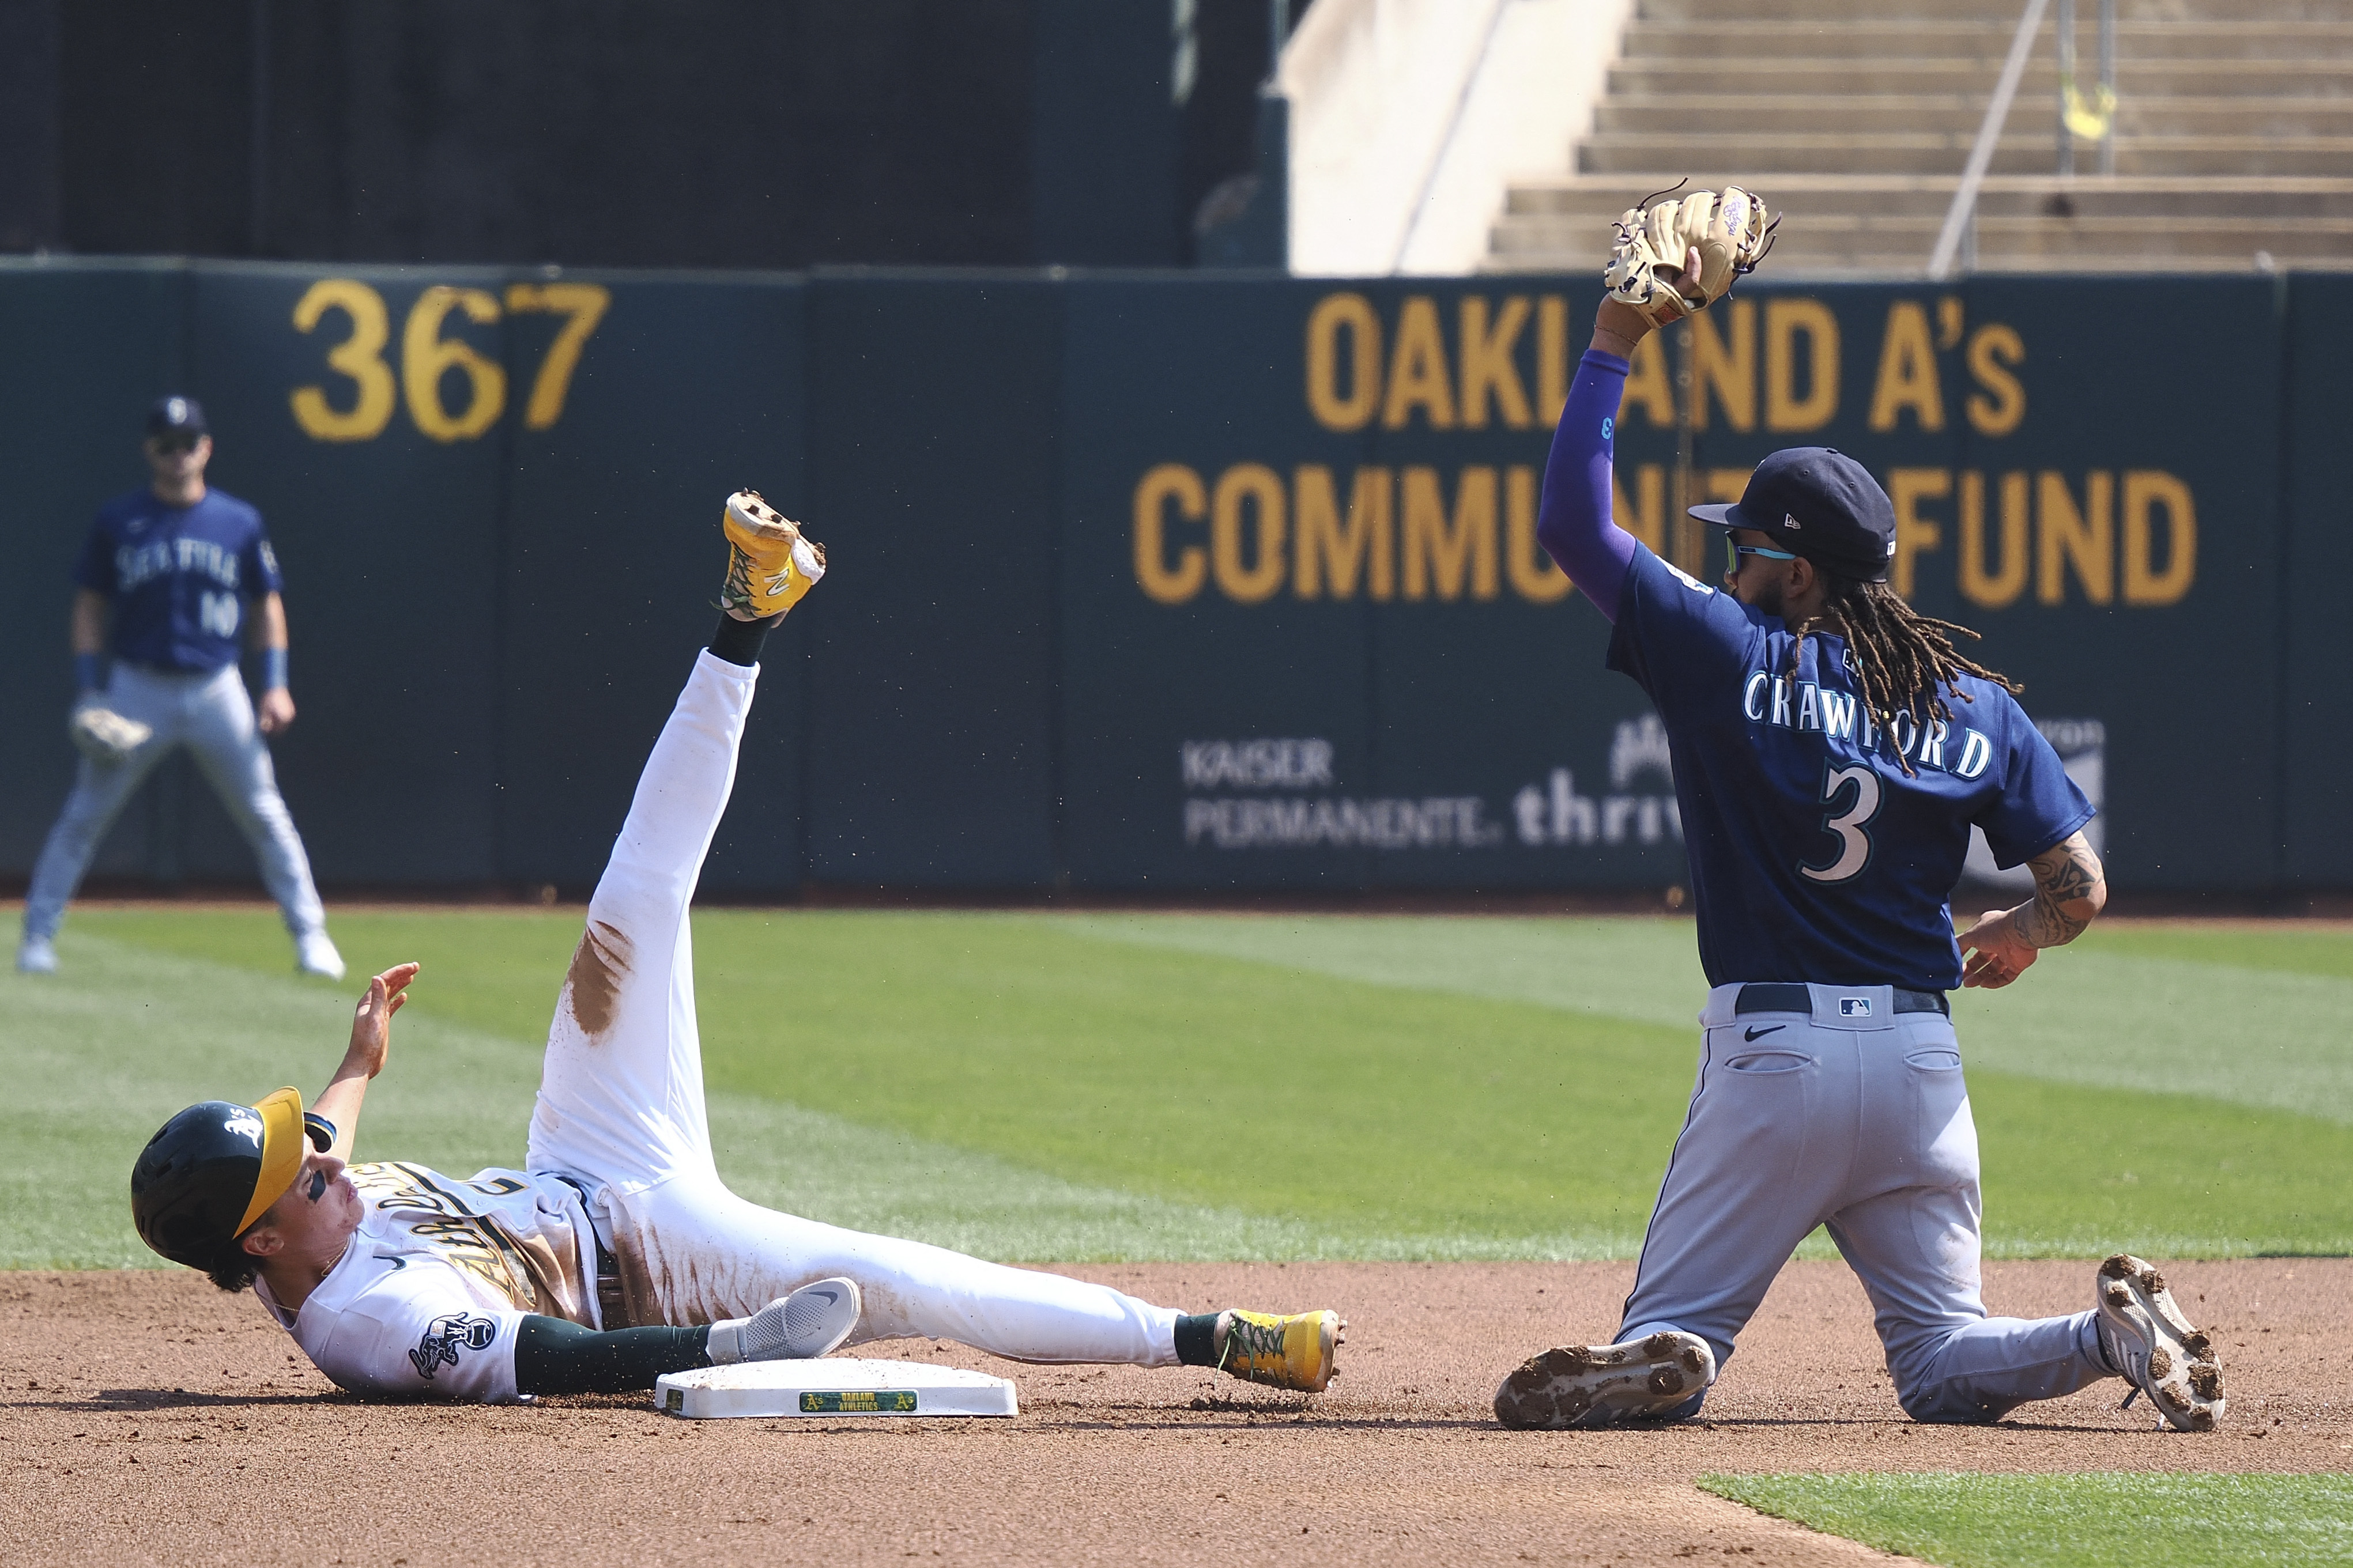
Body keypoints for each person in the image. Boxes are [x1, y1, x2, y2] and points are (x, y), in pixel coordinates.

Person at [129, 491, 1344, 1404]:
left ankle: (744, 615)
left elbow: (335, 1135)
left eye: (300, 1145)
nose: (322, 1160)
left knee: (631, 902)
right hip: (654, 1263)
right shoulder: (366, 1322)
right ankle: (1210, 1333)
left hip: (585, 1146)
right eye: (295, 1170)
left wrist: (359, 1060)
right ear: (261, 1243)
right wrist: (727, 1346)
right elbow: (550, 1360)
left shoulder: (311, 1201)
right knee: (907, 1275)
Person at [1490, 246, 2224, 1433]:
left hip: (1774, 1056)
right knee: (1941, 1361)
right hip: (1918, 1068)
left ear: (1797, 569)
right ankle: (2106, 1337)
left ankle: (1667, 1352)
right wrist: (2023, 930)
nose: (1732, 563)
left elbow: (1570, 521)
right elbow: (2079, 883)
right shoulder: (1969, 700)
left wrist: (1611, 346)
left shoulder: (1729, 650)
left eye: (1747, 547)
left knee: (1671, 1338)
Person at [17, 396, 341, 980]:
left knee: (265, 815)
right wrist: (92, 690)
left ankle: (311, 937)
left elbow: (267, 605)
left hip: (218, 687)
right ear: (150, 450)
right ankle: (37, 938)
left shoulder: (238, 521)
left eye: (187, 443)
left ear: (206, 448)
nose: (177, 455)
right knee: (84, 817)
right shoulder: (119, 521)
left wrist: (275, 685)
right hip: (136, 689)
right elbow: (89, 606)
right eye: (166, 444)